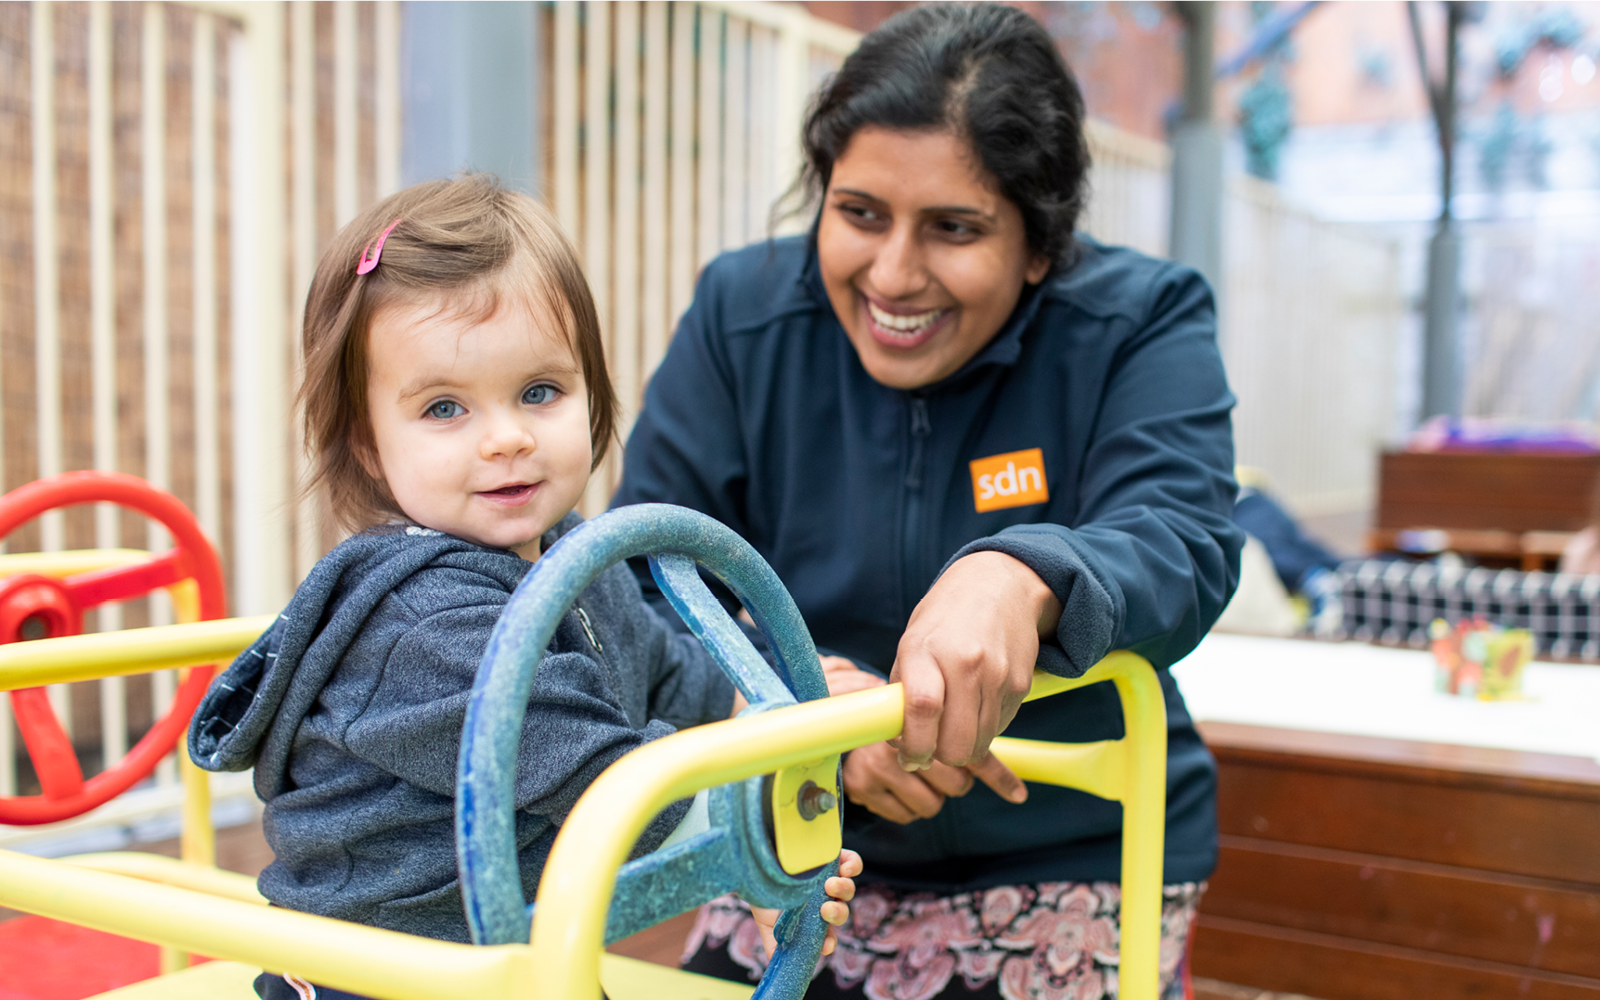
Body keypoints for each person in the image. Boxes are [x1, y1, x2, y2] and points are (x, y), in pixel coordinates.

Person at [612, 6, 1242, 998]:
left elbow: (1183, 539)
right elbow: (641, 581)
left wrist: (1021, 573)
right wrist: (794, 704)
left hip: (1068, 851)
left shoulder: (1138, 322)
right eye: (859, 212)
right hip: (792, 830)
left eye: (953, 229)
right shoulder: (741, 315)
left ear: (1041, 246)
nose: (894, 275)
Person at [187, 176, 859, 1000]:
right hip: (374, 979)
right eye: (444, 409)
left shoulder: (578, 563)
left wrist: (781, 694)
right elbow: (607, 788)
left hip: (513, 963)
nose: (506, 438)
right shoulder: (423, 623)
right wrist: (754, 837)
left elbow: (676, 679)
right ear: (366, 444)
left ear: (590, 391)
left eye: (539, 392)